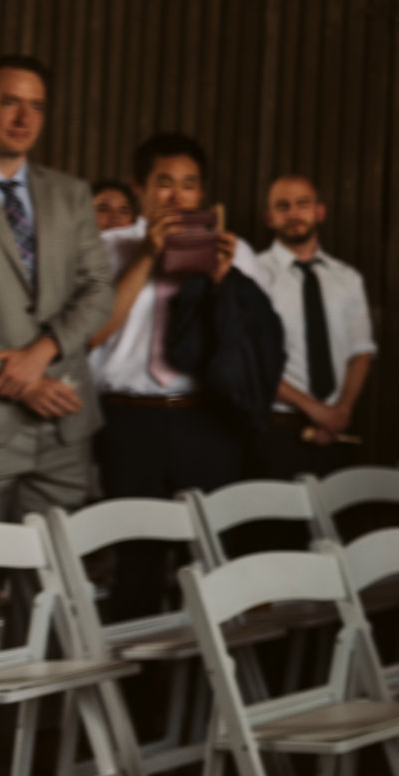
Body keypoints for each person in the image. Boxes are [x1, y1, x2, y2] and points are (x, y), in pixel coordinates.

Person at [89, 133, 281, 618]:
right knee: (136, 562)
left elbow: (257, 346)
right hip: (127, 420)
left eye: (189, 185)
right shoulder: (106, 246)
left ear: (202, 193)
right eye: (164, 183)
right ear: (139, 187)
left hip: (206, 419)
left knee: (216, 555)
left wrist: (223, 280)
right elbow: (88, 333)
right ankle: (137, 692)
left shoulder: (236, 255)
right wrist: (146, 256)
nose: (177, 197)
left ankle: (212, 687)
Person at [0, 56, 111, 648]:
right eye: (10, 101)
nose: (25, 117)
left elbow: (97, 289)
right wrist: (18, 375)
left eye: (37, 105)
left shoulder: (70, 193)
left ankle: (42, 740)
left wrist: (45, 349)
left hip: (62, 427)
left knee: (56, 597)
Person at [252, 174, 376, 479]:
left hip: (336, 432)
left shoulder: (347, 278)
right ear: (269, 218)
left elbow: (361, 352)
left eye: (302, 204)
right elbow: (252, 361)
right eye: (283, 206)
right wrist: (314, 409)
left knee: (335, 525)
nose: (293, 213)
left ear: (319, 212)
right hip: (274, 431)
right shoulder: (252, 275)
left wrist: (341, 411)